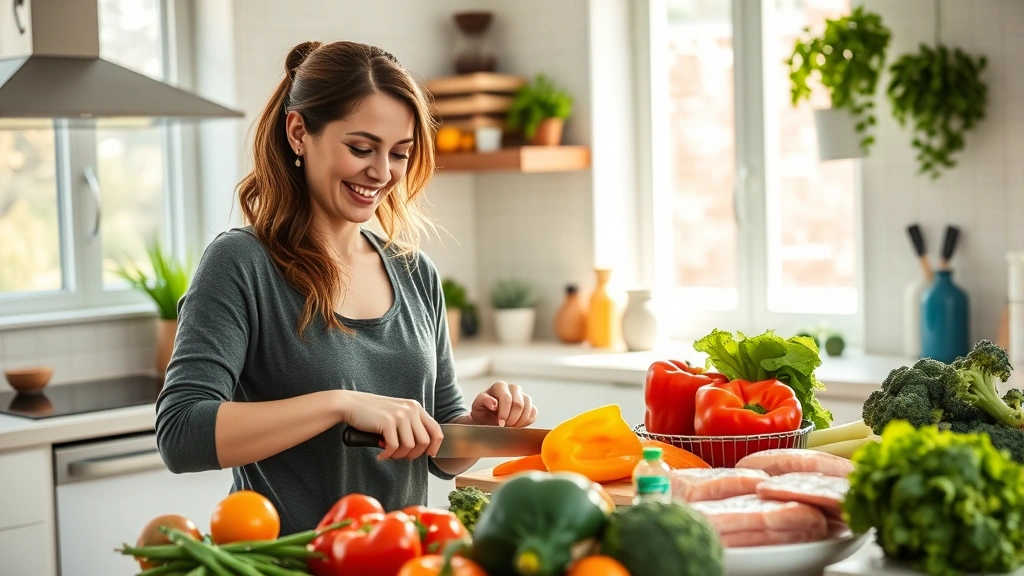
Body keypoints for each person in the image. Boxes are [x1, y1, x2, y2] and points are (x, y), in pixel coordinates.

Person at [155, 40, 538, 535]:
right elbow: (181, 434)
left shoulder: (414, 272)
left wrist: (482, 427)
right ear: (299, 132)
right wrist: (340, 403)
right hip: (291, 564)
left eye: (399, 153)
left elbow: (440, 451)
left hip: (400, 561)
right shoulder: (241, 264)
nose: (381, 173)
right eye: (361, 148)